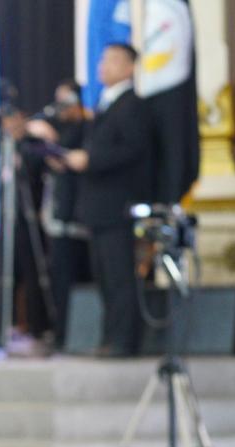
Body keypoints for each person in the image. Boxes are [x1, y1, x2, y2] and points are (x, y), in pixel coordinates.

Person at [65, 43, 154, 356]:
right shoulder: (104, 103)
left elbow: (133, 150)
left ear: (130, 67)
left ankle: (124, 341)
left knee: (119, 276)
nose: (104, 66)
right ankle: (109, 338)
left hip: (118, 203)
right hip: (98, 205)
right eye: (103, 59)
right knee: (103, 275)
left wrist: (91, 160)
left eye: (113, 60)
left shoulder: (133, 105)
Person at [28, 80, 91, 346]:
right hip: (59, 216)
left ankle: (77, 335)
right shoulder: (59, 127)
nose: (61, 108)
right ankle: (61, 333)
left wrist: (53, 141)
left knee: (81, 279)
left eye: (66, 101)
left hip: (80, 217)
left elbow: (76, 160)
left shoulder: (88, 127)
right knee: (60, 278)